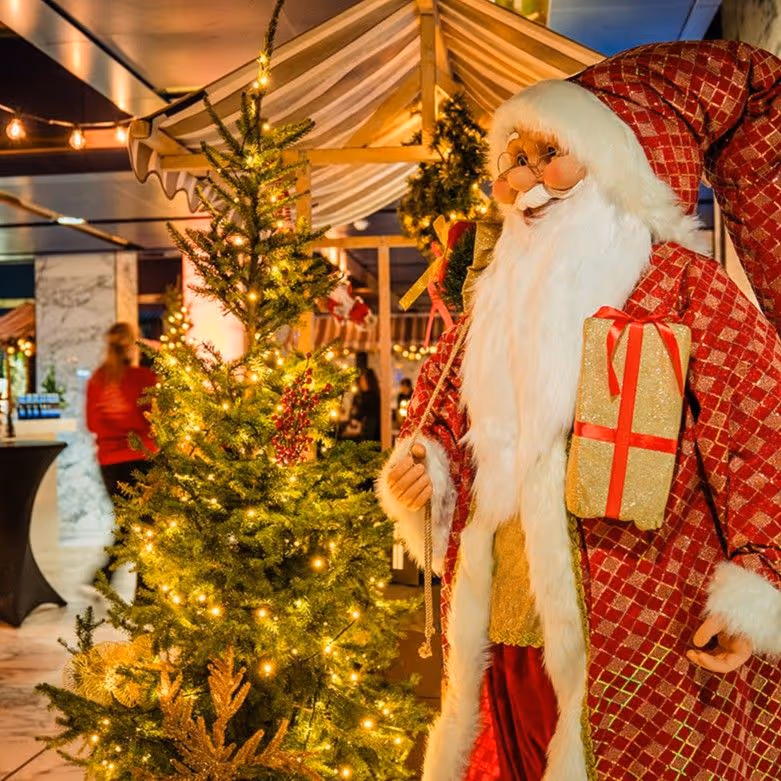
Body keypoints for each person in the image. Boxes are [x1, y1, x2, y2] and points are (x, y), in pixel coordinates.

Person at [377, 41, 781, 781]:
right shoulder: (493, 295)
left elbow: (760, 434)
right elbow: (442, 405)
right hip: (505, 623)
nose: (522, 177)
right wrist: (424, 462)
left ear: (612, 165)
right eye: (512, 156)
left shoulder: (683, 290)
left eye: (547, 152)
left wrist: (758, 582)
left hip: (649, 628)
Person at [84, 322, 157, 595]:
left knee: (128, 522)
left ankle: (105, 577)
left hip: (110, 463)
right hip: (143, 458)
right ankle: (145, 593)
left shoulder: (97, 380)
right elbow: (154, 419)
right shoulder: (144, 379)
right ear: (132, 344)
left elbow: (92, 423)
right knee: (147, 524)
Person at [352, 367, 381, 443]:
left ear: (369, 381)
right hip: (367, 430)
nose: (361, 383)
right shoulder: (362, 395)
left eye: (363, 380)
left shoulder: (371, 397)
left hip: (371, 433)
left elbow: (362, 412)